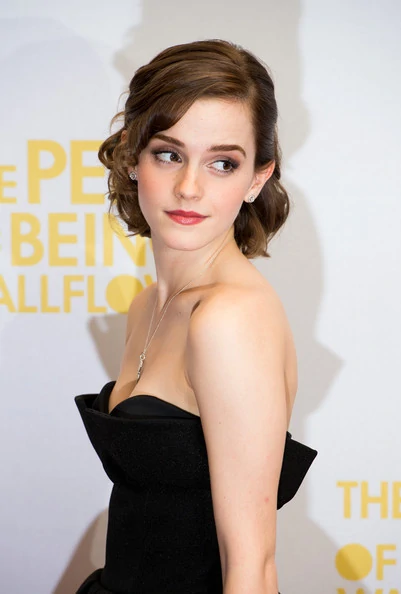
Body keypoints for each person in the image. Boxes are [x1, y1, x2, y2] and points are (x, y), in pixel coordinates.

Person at [74, 38, 318, 594]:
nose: (189, 187)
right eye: (169, 154)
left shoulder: (228, 318)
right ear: (132, 157)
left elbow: (251, 566)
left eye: (222, 163)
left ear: (257, 178)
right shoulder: (148, 304)